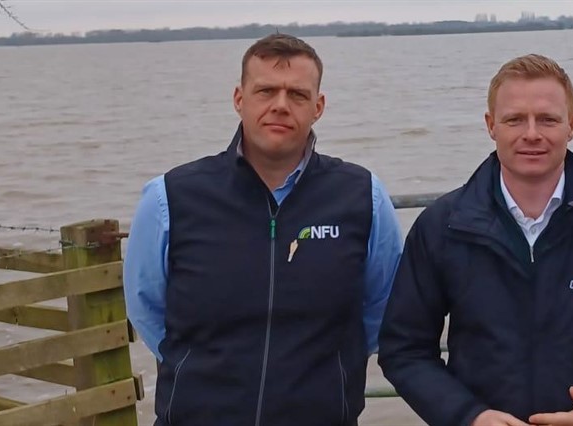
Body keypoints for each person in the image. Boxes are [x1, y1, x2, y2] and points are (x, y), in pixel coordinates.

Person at [378, 54, 573, 426]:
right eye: (515, 119)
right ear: (490, 125)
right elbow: (404, 349)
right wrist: (467, 416)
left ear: (572, 125)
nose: (532, 133)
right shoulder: (442, 227)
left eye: (547, 119)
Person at [123, 33, 402, 426]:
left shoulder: (363, 197)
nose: (281, 106)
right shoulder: (170, 197)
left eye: (298, 95)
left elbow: (380, 309)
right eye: (266, 91)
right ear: (239, 99)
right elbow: (146, 309)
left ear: (318, 106)